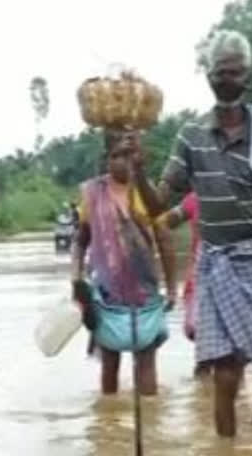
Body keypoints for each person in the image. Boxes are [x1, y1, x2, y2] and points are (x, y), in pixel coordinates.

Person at [130, 30, 252, 437]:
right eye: (220, 72)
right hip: (216, 263)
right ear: (209, 77)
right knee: (225, 373)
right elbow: (159, 205)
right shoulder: (190, 136)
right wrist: (138, 173)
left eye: (235, 73)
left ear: (248, 78)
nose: (227, 80)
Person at [71, 131, 177, 396]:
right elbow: (80, 241)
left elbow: (164, 240)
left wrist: (172, 288)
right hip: (107, 291)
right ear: (107, 160)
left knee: (146, 361)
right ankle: (109, 422)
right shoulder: (93, 193)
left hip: (144, 290)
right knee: (109, 361)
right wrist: (76, 281)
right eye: (116, 155)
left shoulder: (145, 192)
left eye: (128, 155)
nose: (123, 162)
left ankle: (151, 421)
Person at [160, 192, 211, 378]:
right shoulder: (194, 199)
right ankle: (203, 398)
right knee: (202, 348)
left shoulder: (241, 192)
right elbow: (164, 222)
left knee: (235, 357)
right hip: (200, 279)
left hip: (233, 279)